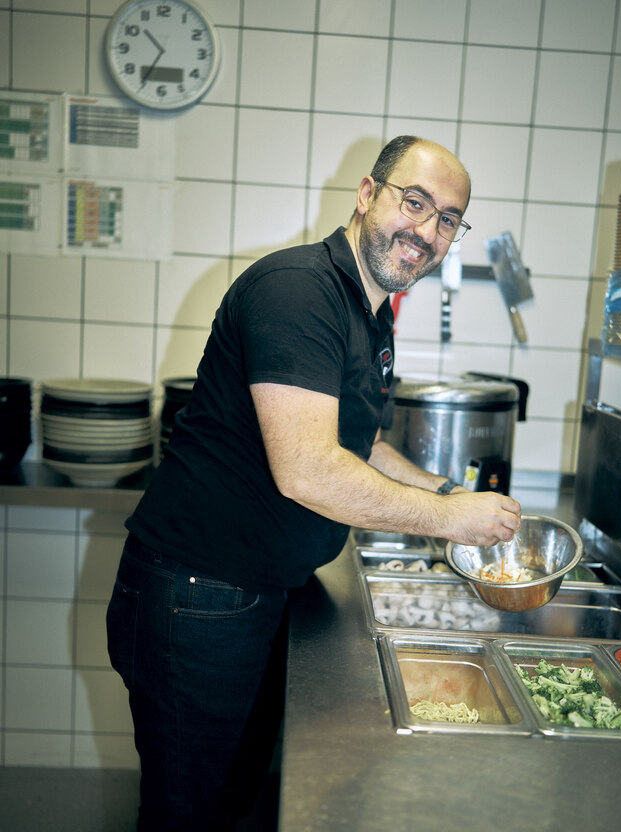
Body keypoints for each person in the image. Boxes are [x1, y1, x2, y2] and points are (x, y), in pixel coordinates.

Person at [106, 135, 521, 830]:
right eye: (413, 203)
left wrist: (444, 493)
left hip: (246, 593)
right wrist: (448, 522)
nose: (426, 231)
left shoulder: (365, 309)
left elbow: (364, 442)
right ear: (367, 195)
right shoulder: (299, 291)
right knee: (187, 812)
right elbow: (307, 469)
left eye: (448, 218)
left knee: (228, 796)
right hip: (196, 596)